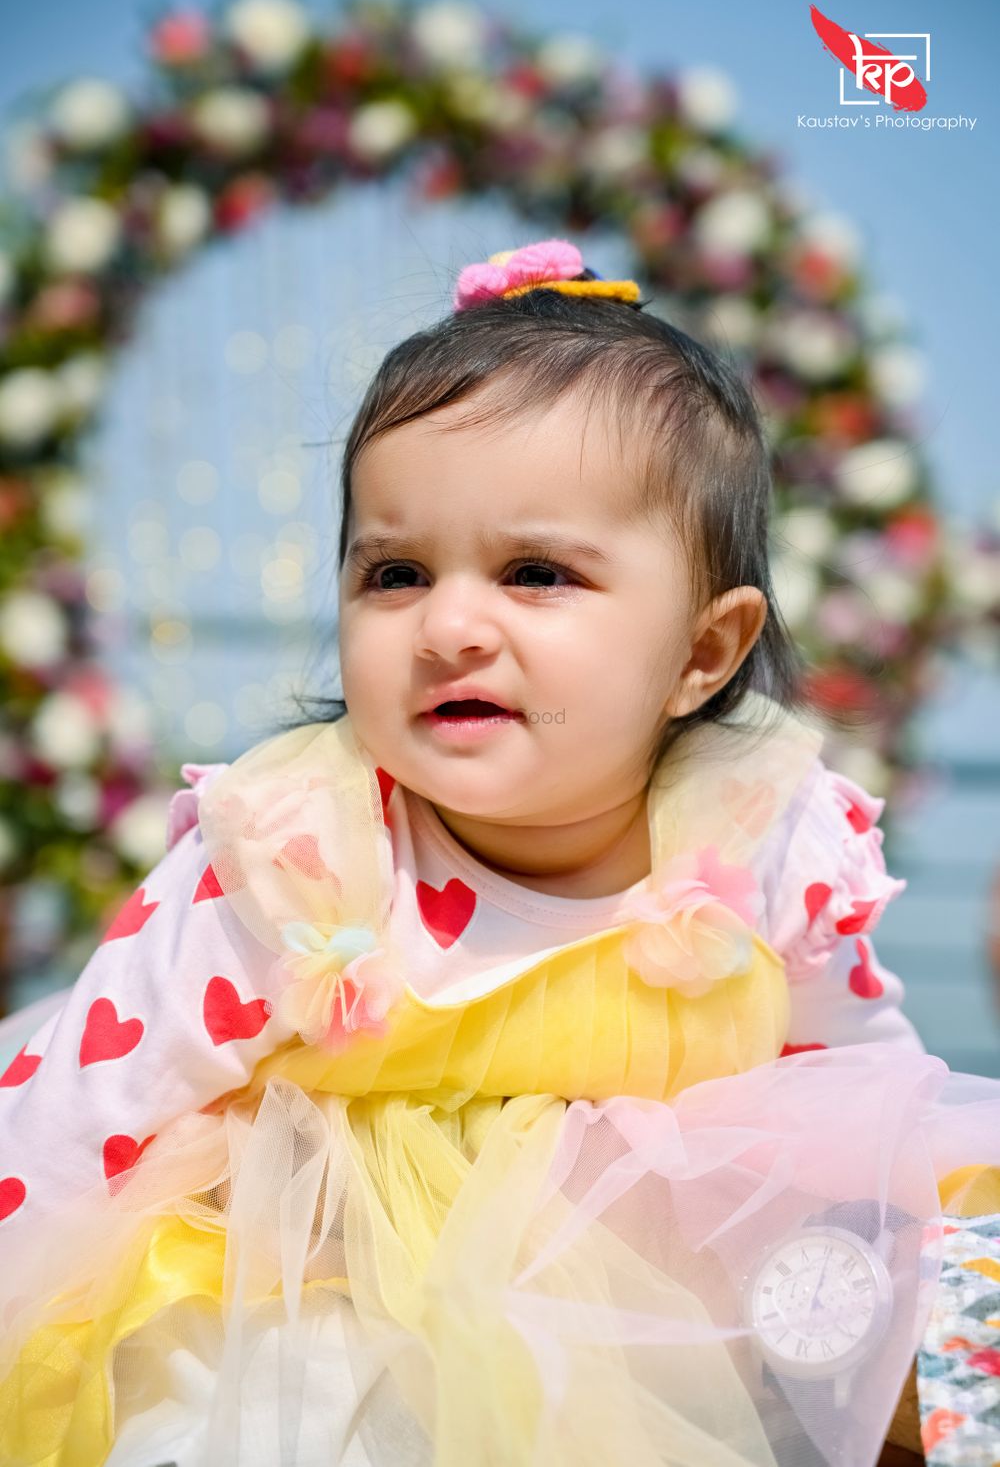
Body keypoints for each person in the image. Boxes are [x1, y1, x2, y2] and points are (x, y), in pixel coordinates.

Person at [0, 238, 998, 1467]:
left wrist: (932, 1222)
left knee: (931, 1285)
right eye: (395, 572)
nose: (449, 626)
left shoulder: (759, 845)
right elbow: (64, 1119)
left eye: (536, 573)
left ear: (703, 651)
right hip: (313, 1318)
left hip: (641, 1321)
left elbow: (864, 1094)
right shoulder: (297, 861)